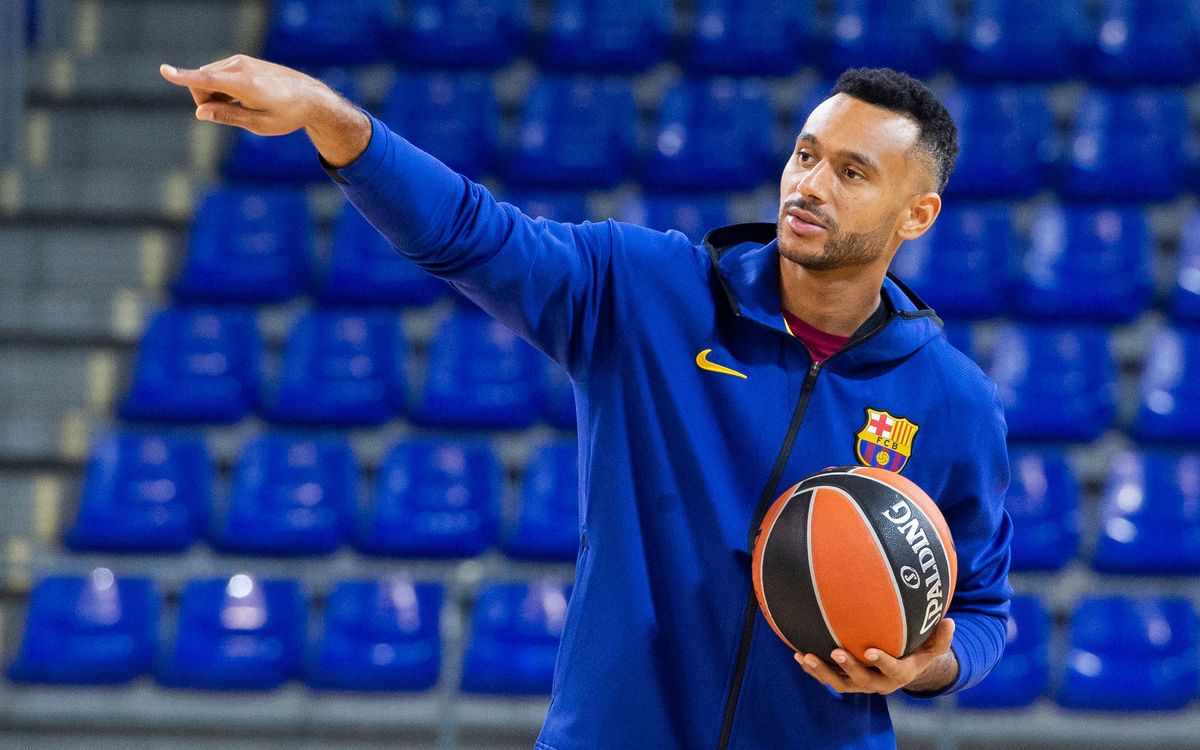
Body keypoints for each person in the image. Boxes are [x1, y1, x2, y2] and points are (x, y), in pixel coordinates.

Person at [161, 56, 1012, 750]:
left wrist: (927, 666)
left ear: (918, 214)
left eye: (852, 172)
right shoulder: (646, 292)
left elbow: (981, 612)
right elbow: (469, 234)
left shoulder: (952, 400)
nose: (809, 184)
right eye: (805, 153)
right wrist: (329, 118)